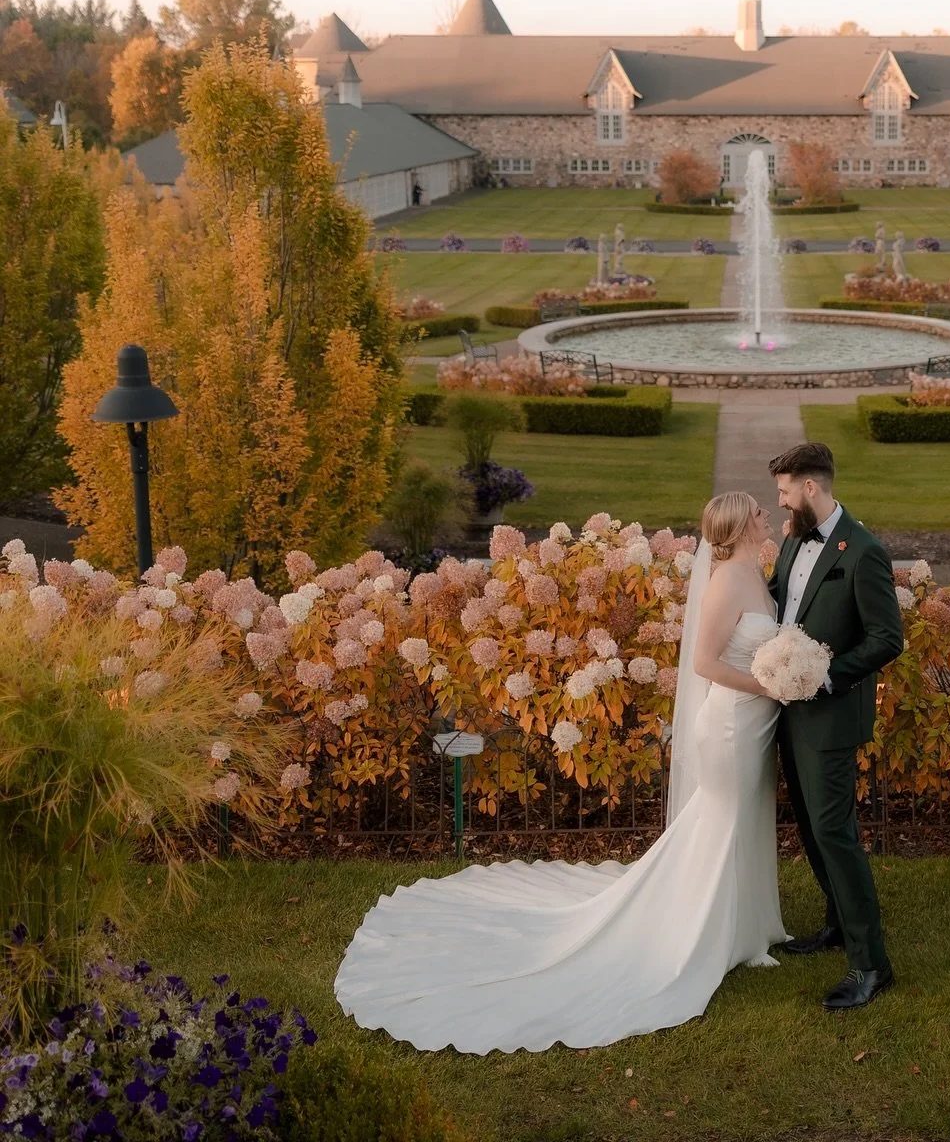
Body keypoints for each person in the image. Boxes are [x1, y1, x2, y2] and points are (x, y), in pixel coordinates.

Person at [333, 492, 787, 1054]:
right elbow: (704, 664)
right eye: (759, 513)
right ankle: (703, 934)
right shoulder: (725, 582)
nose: (768, 516)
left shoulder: (755, 572)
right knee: (722, 823)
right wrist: (768, 685)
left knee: (741, 820)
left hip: (755, 725)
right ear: (742, 526)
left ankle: (744, 931)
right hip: (731, 726)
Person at [768, 441, 905, 1010]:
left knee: (835, 834)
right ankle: (834, 923)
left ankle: (870, 963)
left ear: (810, 487)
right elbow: (781, 604)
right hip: (787, 713)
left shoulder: (863, 551)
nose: (779, 504)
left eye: (784, 491)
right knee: (809, 826)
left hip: (829, 715)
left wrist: (823, 676)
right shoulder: (793, 539)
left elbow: (886, 640)